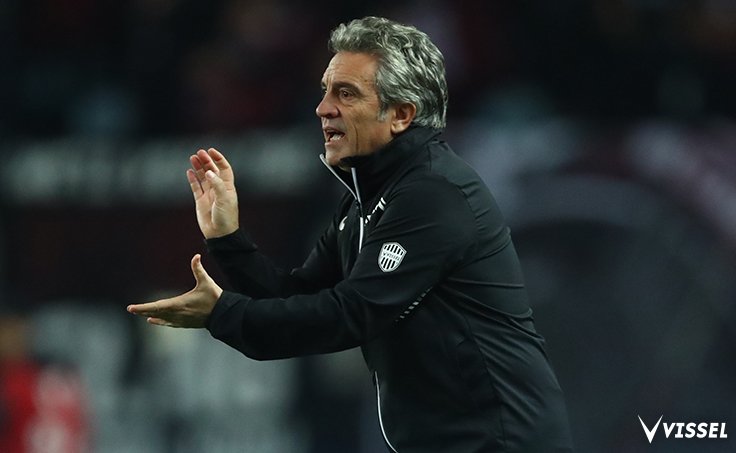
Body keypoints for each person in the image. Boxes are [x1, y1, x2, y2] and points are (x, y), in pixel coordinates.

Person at [128, 16, 573, 452]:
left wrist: (221, 313)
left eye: (345, 93)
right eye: (325, 91)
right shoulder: (364, 203)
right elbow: (295, 297)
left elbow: (347, 316)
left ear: (400, 114)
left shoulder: (433, 195)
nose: (323, 108)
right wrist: (229, 240)